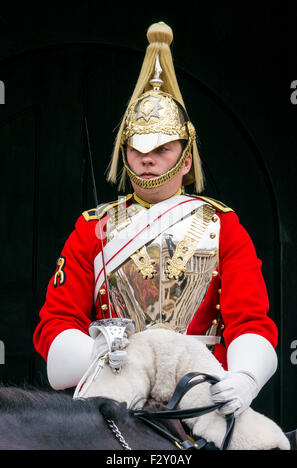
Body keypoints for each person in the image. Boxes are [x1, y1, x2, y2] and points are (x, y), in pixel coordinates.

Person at [33, 22, 278, 419]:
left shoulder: (224, 226)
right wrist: (98, 353)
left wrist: (246, 376)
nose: (148, 159)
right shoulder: (91, 228)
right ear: (125, 151)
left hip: (200, 393)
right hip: (112, 389)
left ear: (185, 155)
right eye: (137, 148)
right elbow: (57, 322)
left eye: (162, 149)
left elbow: (249, 319)